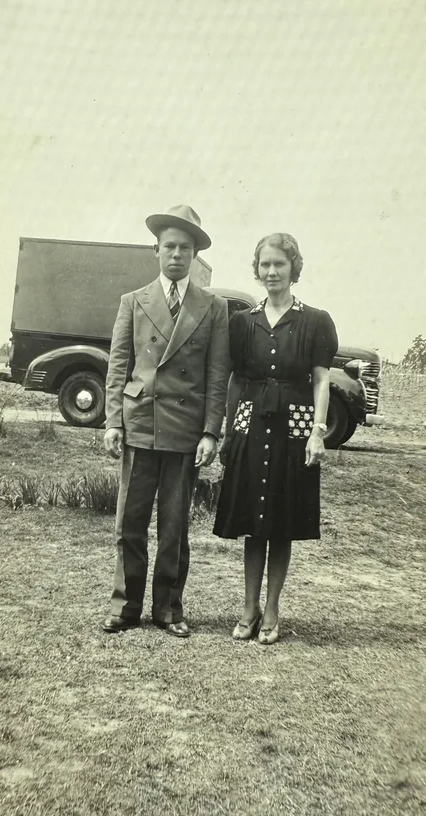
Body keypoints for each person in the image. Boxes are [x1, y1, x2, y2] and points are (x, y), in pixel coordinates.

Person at [102, 205, 229, 638]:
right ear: (155, 250)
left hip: (184, 430)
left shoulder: (213, 307)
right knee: (129, 523)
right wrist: (113, 421)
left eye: (185, 248)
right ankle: (125, 606)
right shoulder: (133, 301)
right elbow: (119, 366)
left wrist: (211, 431)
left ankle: (169, 609)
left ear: (195, 255)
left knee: (174, 527)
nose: (177, 255)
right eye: (169, 246)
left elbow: (217, 375)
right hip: (139, 423)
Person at [213, 233, 338, 644]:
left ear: (293, 268)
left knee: (281, 521)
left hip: (295, 424)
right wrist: (230, 430)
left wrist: (317, 433)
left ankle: (272, 610)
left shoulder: (315, 320)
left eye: (279, 264)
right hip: (251, 420)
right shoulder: (243, 321)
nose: (271, 272)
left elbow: (321, 380)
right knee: (252, 520)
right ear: (257, 268)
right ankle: (248, 609)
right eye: (265, 264)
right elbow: (234, 380)